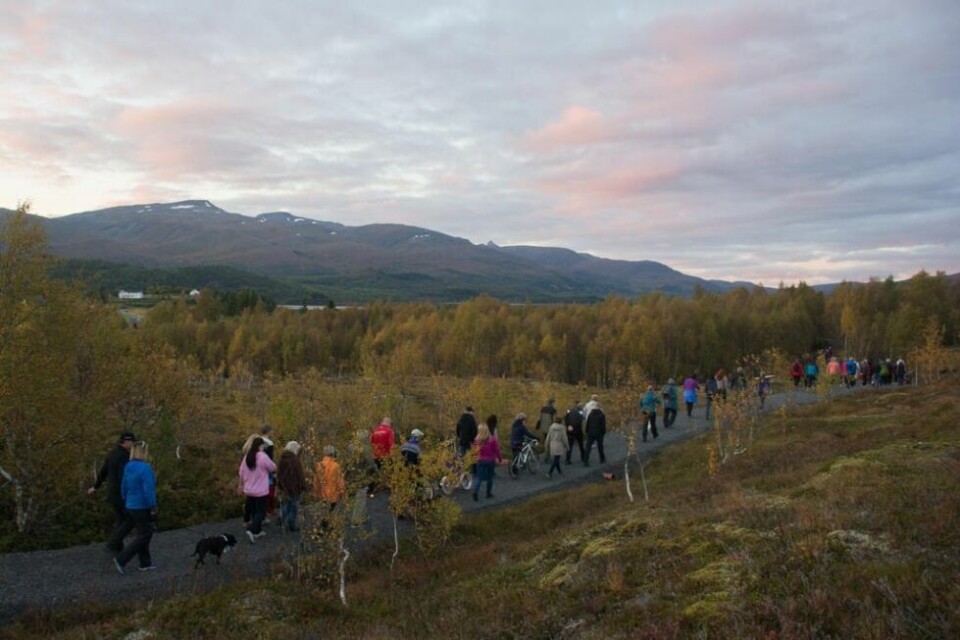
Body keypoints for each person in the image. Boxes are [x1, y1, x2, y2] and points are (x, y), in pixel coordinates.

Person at [111, 441, 157, 575]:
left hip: (130, 504)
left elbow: (123, 486)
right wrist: (153, 505)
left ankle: (145, 562)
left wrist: (125, 498)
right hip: (142, 505)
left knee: (142, 532)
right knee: (145, 534)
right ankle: (121, 559)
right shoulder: (146, 468)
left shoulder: (128, 466)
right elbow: (149, 490)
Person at [90, 431, 135, 551]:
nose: (133, 444)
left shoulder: (112, 454)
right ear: (126, 442)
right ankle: (113, 543)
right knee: (129, 519)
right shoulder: (124, 456)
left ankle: (117, 546)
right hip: (120, 493)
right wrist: (130, 491)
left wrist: (96, 486)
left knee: (121, 519)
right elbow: (124, 476)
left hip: (112, 492)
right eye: (131, 442)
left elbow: (103, 471)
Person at [239, 436, 276, 543]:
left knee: (254, 511)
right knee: (261, 512)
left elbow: (241, 471)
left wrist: (241, 484)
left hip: (249, 490)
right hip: (260, 490)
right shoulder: (263, 457)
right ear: (260, 446)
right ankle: (251, 529)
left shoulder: (247, 457)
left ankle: (258, 531)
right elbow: (272, 467)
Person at [277, 441, 306, 533]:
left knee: (287, 503)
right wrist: (303, 485)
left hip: (285, 486)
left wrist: (280, 485)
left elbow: (279, 473)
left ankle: (281, 518)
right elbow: (299, 474)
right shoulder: (295, 460)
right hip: (294, 486)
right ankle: (291, 524)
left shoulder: (281, 459)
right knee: (294, 505)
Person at [472, 423, 502, 501]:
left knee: (479, 477)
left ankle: (475, 491)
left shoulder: (476, 440)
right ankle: (488, 493)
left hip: (480, 460)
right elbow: (497, 450)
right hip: (490, 461)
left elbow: (475, 451)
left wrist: (475, 458)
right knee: (489, 477)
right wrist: (500, 458)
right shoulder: (492, 439)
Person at [315, 445, 346, 513]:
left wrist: (317, 493)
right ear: (333, 453)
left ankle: (324, 522)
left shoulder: (319, 465)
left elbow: (316, 481)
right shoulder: (336, 466)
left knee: (324, 513)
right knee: (331, 513)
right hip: (333, 495)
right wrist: (343, 493)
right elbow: (339, 481)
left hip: (323, 495)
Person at [259, 424, 278, 519]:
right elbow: (270, 457)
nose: (273, 432)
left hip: (259, 467)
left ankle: (264, 509)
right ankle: (269, 509)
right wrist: (273, 471)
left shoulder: (258, 440)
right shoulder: (269, 443)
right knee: (270, 488)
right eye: (272, 431)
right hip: (267, 467)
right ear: (268, 431)